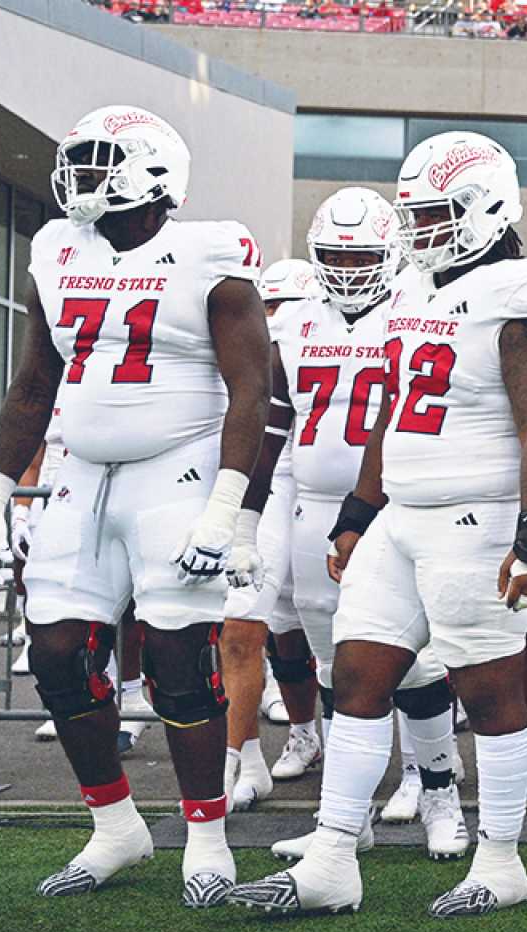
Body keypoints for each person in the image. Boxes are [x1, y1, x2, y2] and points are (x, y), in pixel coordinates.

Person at [229, 132, 527, 918]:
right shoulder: (412, 294)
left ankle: (500, 861)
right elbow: (393, 417)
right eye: (414, 216)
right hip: (401, 517)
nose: (422, 232)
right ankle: (331, 856)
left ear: (489, 207)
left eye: (438, 214)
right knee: (356, 675)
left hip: (475, 517)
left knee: (488, 694)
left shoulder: (522, 291)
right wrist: (358, 511)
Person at [0, 106, 270, 908]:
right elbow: (36, 382)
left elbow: (252, 390)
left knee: (177, 663)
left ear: (155, 174)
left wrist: (228, 509)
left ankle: (205, 833)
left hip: (179, 466)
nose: (82, 177)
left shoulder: (211, 250)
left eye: (103, 162)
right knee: (59, 652)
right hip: (84, 470)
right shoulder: (58, 248)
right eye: (81, 161)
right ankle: (115, 825)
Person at [241, 188, 469, 863]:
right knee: (333, 665)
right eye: (335, 255)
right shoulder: (292, 320)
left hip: (391, 506)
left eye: (362, 254)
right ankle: (347, 813)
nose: (347, 268)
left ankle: (440, 793)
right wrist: (250, 511)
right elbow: (275, 417)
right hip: (311, 503)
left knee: (414, 661)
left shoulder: (417, 309)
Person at [219, 260, 321, 814]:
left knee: (345, 631)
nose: (279, 320)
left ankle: (418, 768)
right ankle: (245, 757)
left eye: (291, 307)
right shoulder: (239, 336)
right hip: (270, 471)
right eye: (271, 307)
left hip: (326, 473)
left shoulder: (329, 334)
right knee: (248, 624)